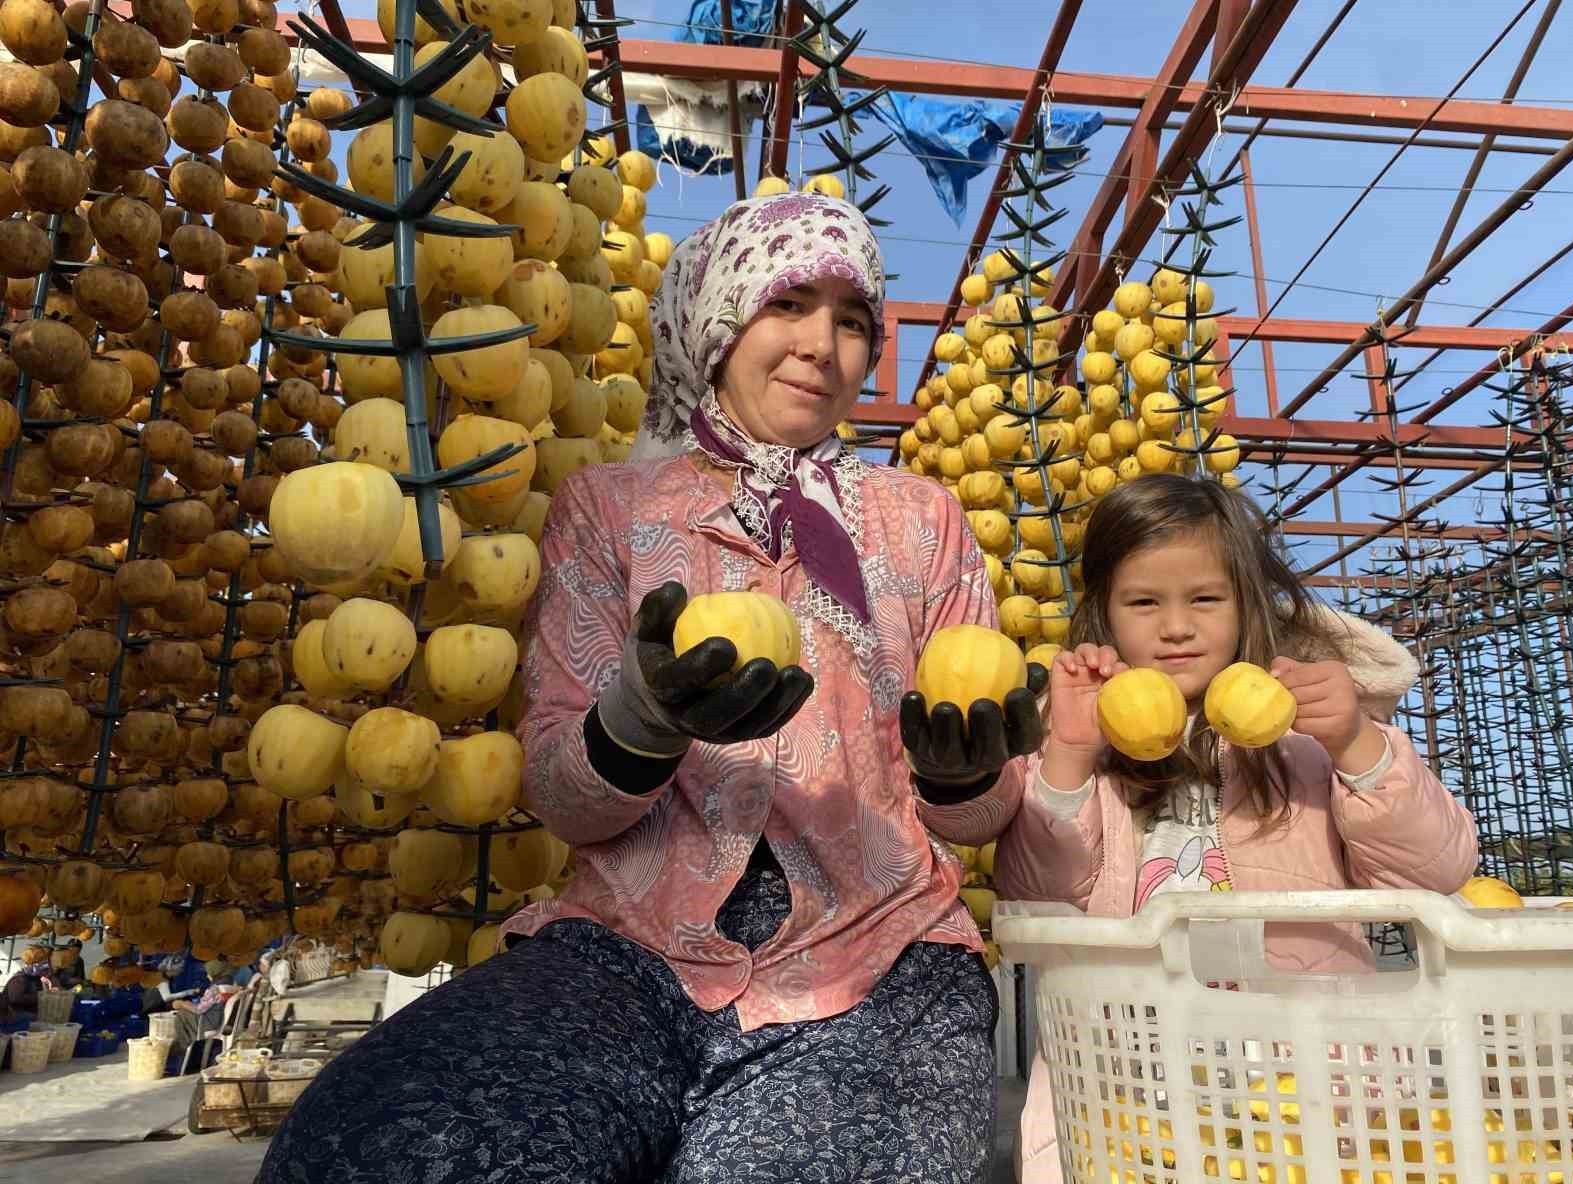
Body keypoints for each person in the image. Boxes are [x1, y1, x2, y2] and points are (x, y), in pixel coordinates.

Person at [259, 191, 1046, 1183]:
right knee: (377, 1144)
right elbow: (563, 796)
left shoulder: (919, 521)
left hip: (877, 956)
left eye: (854, 321)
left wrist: (963, 773)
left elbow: (981, 819)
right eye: (789, 303)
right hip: (629, 950)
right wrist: (642, 721)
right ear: (718, 316)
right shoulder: (613, 510)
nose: (823, 344)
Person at [996, 473, 1479, 1184]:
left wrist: (1357, 744)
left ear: (1245, 603)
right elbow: (1037, 896)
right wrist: (1068, 754)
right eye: (1143, 602)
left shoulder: (1309, 739)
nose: (1176, 626)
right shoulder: (1083, 735)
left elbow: (1436, 872)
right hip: (1128, 1100)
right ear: (1104, 612)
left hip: (1309, 1094)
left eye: (1205, 599)